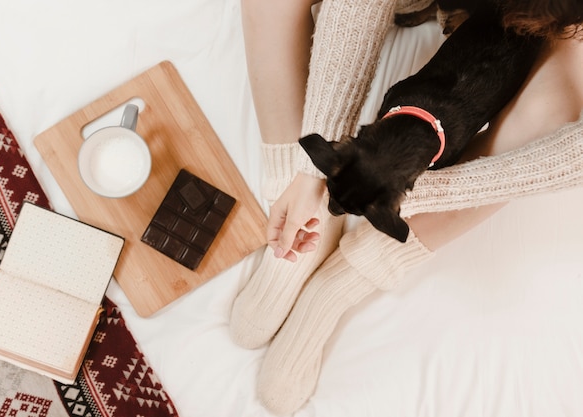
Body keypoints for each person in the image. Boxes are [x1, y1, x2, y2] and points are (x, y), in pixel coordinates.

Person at [232, 0, 583, 414]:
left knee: (553, 107)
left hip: (557, 25)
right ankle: (302, 212)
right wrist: (313, 172)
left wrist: (421, 191)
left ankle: (349, 275)